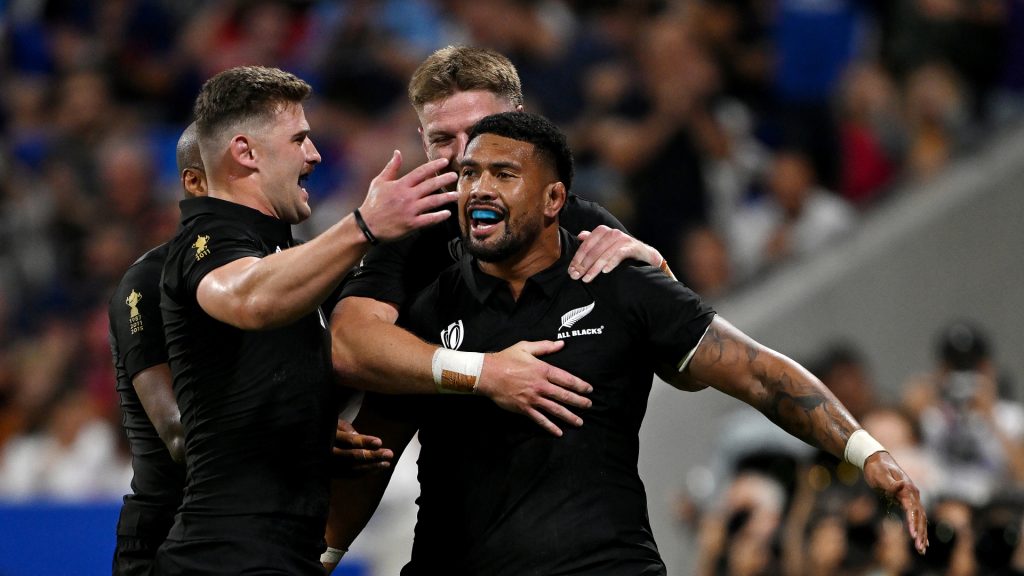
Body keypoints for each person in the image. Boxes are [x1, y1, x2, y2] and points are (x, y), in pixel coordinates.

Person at [326, 112, 928, 575]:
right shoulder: (429, 310)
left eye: (503, 175)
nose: (478, 190)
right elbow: (373, 449)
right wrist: (321, 557)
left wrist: (867, 451)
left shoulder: (619, 282)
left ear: (553, 200)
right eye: (469, 175)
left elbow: (759, 373)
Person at [154, 65, 460, 575]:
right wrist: (364, 225)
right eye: (299, 139)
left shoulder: (282, 252)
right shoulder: (205, 241)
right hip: (224, 557)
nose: (315, 155)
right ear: (246, 152)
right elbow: (247, 297)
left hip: (277, 553)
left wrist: (305, 424)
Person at [331, 45, 666, 438]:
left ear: (517, 122)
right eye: (442, 139)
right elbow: (346, 344)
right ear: (423, 142)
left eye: (479, 131)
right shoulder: (408, 234)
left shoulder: (581, 221)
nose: (462, 155)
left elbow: (679, 362)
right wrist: (483, 373)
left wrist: (657, 269)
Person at [107, 123, 204, 576]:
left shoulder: (282, 270)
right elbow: (178, 432)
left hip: (260, 534)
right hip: (166, 536)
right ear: (194, 183)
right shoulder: (146, 284)